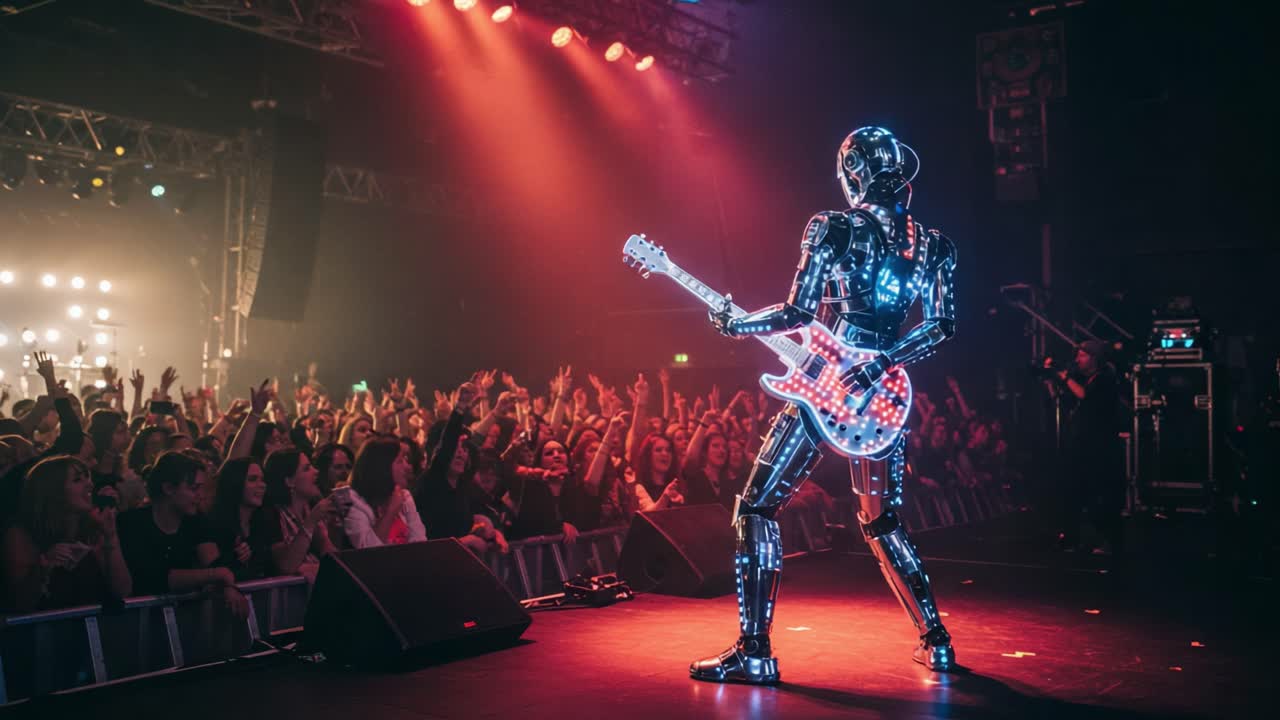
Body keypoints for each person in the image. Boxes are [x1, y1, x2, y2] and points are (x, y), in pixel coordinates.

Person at [695, 126, 958, 683]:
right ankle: (935, 640)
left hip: (827, 384)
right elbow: (941, 325)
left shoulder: (833, 227)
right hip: (884, 397)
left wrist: (739, 324)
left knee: (757, 506)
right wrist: (884, 362)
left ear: (853, 171)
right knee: (883, 519)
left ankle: (755, 650)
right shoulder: (934, 243)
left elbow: (796, 312)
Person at [117, 451, 248, 617]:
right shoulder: (131, 522)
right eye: (194, 489)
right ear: (168, 488)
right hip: (135, 623)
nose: (200, 496)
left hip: (184, 623)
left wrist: (228, 577)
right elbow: (151, 577)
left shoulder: (195, 521)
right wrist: (217, 574)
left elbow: (212, 562)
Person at [1, 456, 132, 611]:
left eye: (88, 477)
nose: (90, 484)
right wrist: (44, 567)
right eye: (77, 480)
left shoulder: (93, 527)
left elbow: (122, 591)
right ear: (53, 491)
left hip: (93, 629)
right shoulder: (21, 534)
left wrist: (111, 537)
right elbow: (20, 603)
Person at [1054, 340, 1126, 554]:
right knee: (1081, 493)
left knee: (1101, 494)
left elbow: (1087, 397)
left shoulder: (1105, 379)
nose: (1078, 359)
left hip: (1100, 449)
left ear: (1094, 358)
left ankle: (1108, 541)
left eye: (1082, 355)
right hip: (1086, 447)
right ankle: (1081, 538)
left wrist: (1065, 378)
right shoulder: (1091, 379)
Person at [339, 436, 426, 548]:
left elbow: (420, 543)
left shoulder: (404, 496)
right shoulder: (353, 503)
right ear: (382, 468)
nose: (407, 466)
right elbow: (368, 551)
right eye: (399, 461)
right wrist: (390, 512)